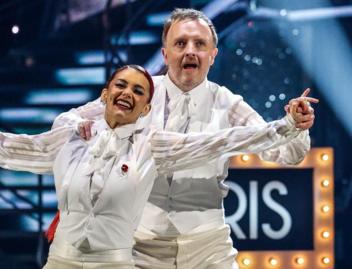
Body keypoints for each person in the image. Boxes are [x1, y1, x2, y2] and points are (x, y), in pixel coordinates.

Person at [0, 65, 312, 269]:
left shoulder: (155, 146)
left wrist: (286, 125)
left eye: (138, 90)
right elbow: (9, 148)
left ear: (148, 107)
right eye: (120, 86)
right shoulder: (71, 138)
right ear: (105, 93)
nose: (127, 93)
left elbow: (224, 140)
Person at [50, 9, 317, 269]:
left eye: (199, 44)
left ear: (212, 55)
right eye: (180, 43)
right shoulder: (138, 92)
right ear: (166, 54)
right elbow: (66, 119)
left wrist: (297, 126)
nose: (190, 50)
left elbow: (284, 154)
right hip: (139, 247)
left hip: (209, 249)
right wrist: (78, 126)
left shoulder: (228, 103)